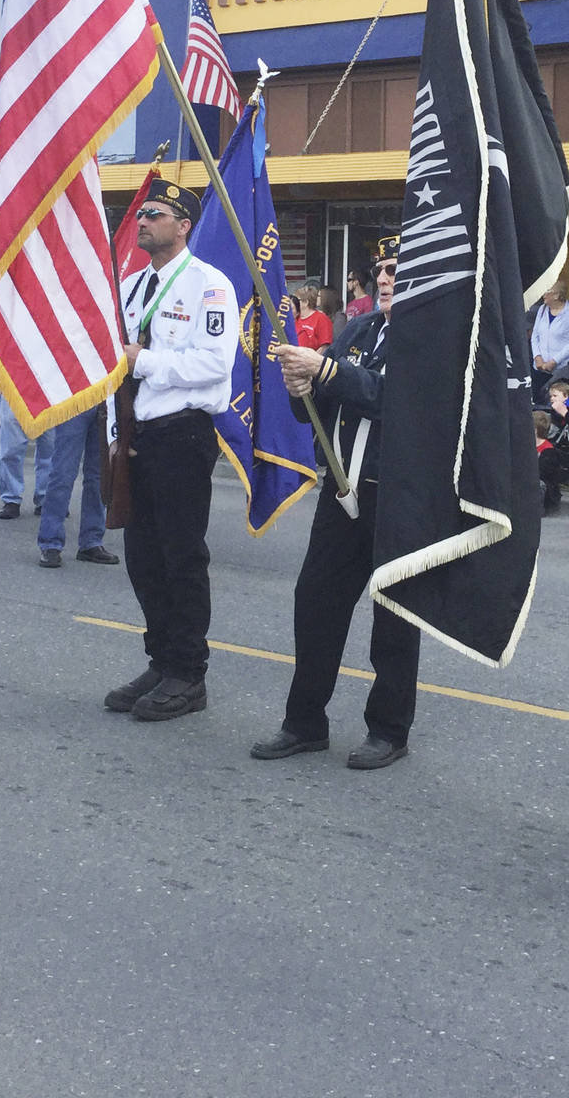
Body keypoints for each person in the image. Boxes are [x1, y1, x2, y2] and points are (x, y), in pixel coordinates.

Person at [254, 238, 419, 769]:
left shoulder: (433, 339)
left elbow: (394, 398)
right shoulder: (361, 329)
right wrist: (303, 386)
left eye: (396, 269)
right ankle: (304, 722)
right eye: (380, 270)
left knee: (393, 617)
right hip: (343, 492)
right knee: (316, 604)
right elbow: (319, 414)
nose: (385, 278)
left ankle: (388, 730)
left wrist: (326, 372)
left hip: (399, 497)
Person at [105, 178, 236, 723]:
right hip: (138, 435)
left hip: (183, 434)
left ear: (183, 226)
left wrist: (146, 362)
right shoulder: (133, 285)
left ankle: (188, 672)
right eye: (141, 215)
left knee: (182, 555)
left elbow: (215, 364)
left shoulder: (210, 286)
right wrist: (118, 433)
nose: (142, 221)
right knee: (143, 556)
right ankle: (160, 660)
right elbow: (116, 365)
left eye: (155, 215)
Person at [32, 404, 119, 570]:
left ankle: (91, 541)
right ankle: (50, 542)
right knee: (62, 473)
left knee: (98, 476)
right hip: (75, 399)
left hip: (105, 400)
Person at [530, 280, 569, 404]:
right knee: (540, 401)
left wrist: (554, 361)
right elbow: (535, 336)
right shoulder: (542, 310)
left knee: (561, 404)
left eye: (547, 291)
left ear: (556, 295)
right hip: (541, 368)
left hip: (564, 369)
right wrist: (537, 357)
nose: (543, 294)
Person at [293, 279, 333, 351]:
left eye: (296, 300)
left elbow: (325, 346)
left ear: (306, 302)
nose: (293, 302)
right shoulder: (295, 318)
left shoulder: (321, 318)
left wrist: (312, 360)